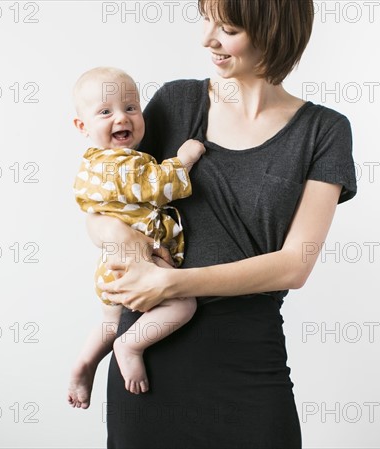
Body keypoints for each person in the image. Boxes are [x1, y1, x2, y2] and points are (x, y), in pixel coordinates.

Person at [88, 1, 357, 447]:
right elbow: (102, 207)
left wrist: (171, 284)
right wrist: (125, 244)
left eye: (228, 28)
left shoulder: (324, 131)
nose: (207, 39)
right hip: (147, 360)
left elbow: (295, 265)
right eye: (207, 20)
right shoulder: (176, 102)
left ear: (272, 30)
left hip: (249, 367)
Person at [67, 67, 205, 403]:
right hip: (135, 265)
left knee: (111, 320)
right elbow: (158, 187)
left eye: (130, 107)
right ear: (82, 126)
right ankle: (130, 346)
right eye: (105, 112)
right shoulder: (121, 164)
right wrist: (184, 158)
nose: (121, 118)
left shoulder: (94, 164)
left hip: (111, 268)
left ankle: (85, 362)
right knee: (184, 304)